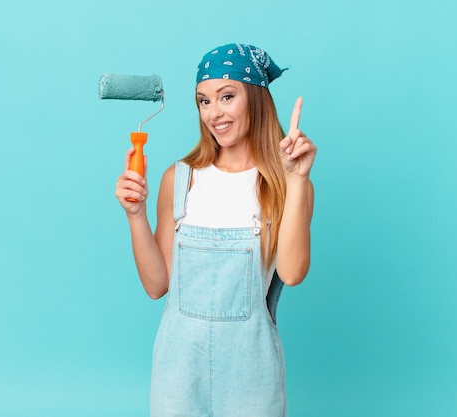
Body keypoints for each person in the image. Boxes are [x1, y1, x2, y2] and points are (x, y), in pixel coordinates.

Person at [115, 42, 316, 417]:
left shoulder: (285, 184)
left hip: (252, 373)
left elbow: (292, 272)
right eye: (203, 101)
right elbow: (157, 285)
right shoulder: (179, 179)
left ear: (254, 99)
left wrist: (299, 180)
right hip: (177, 372)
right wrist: (135, 215)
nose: (214, 113)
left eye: (227, 96)